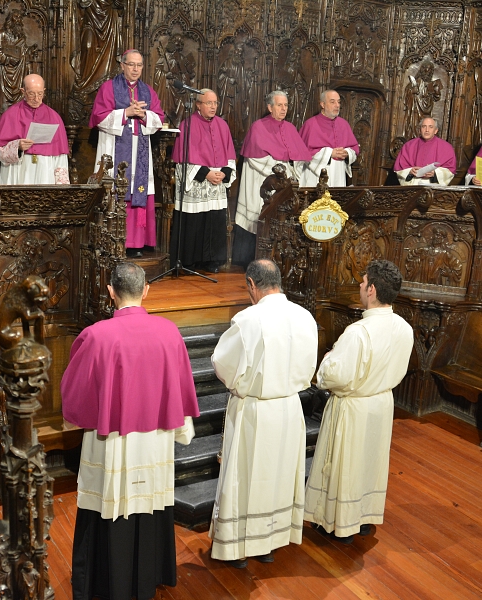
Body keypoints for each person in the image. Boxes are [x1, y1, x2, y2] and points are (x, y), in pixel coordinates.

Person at [61, 262, 199, 600]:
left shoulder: (97, 335)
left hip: (112, 442)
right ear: (146, 291)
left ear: (111, 292)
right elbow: (182, 386)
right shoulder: (169, 331)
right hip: (156, 440)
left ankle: (106, 581)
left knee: (111, 503)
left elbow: (74, 391)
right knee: (150, 503)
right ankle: (147, 575)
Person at [209, 259, 318, 567]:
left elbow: (222, 363)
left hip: (255, 410)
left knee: (246, 477)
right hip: (289, 407)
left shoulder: (249, 319)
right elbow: (310, 366)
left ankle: (236, 549)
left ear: (252, 286)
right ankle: (268, 543)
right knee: (278, 477)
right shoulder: (305, 316)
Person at [305, 260, 413, 544]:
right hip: (381, 403)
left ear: (373, 290)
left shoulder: (358, 332)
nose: (360, 287)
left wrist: (327, 361)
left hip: (352, 407)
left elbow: (334, 376)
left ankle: (339, 524)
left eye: (363, 283)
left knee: (345, 465)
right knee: (370, 464)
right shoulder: (404, 328)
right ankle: (364, 518)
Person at [89, 50, 164, 258]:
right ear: (122, 65)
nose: (135, 69)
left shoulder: (148, 91)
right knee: (115, 189)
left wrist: (144, 114)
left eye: (139, 65)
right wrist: (125, 113)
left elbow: (159, 118)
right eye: (131, 65)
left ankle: (136, 243)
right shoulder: (108, 88)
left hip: (139, 149)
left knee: (138, 189)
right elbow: (98, 118)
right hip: (114, 148)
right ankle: (112, 240)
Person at [233, 91, 312, 268]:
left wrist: (290, 171)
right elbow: (254, 158)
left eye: (286, 105)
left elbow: (298, 158)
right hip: (261, 180)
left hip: (283, 183)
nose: (284, 109)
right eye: (279, 105)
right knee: (258, 218)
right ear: (270, 107)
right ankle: (251, 261)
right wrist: (279, 169)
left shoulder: (290, 128)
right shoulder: (258, 127)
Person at [169, 89, 236, 273]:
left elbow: (230, 156)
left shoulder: (223, 125)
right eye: (209, 103)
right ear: (198, 104)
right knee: (195, 223)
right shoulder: (187, 125)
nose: (214, 106)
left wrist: (224, 172)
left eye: (215, 103)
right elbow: (183, 162)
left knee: (215, 222)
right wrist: (205, 173)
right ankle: (190, 262)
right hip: (198, 183)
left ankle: (212, 261)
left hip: (216, 184)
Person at [0, 73, 70, 185]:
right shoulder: (10, 115)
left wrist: (61, 186)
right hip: (19, 169)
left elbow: (61, 157)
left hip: (45, 171)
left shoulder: (54, 117)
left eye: (40, 94)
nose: (36, 99)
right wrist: (17, 147)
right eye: (31, 94)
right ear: (23, 91)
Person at [0, 10, 37, 124]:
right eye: (15, 17)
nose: (18, 20)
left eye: (19, 18)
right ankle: (1, 123)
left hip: (18, 72)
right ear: (9, 20)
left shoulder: (21, 37)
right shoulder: (1, 34)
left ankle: (16, 123)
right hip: (2, 72)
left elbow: (22, 51)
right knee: (1, 100)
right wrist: (8, 60)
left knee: (18, 101)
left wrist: (30, 50)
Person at [298, 89, 359, 187]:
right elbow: (302, 154)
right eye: (332, 102)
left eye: (338, 102)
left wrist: (347, 153)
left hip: (338, 172)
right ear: (322, 104)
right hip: (316, 175)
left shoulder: (344, 124)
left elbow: (355, 148)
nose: (337, 105)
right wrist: (329, 153)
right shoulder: (310, 124)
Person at [394, 117, 456, 186]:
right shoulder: (409, 145)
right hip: (413, 184)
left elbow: (450, 170)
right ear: (420, 130)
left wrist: (435, 174)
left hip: (434, 186)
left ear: (436, 130)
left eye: (430, 127)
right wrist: (410, 171)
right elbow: (400, 167)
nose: (427, 130)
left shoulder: (446, 147)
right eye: (424, 126)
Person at [404, 58, 443, 140]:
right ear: (421, 70)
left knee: (426, 126)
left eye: (429, 71)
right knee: (415, 126)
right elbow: (407, 93)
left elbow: (436, 97)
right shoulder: (415, 83)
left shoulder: (432, 84)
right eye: (425, 70)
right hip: (415, 110)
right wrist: (412, 91)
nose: (427, 72)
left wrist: (436, 92)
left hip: (427, 111)